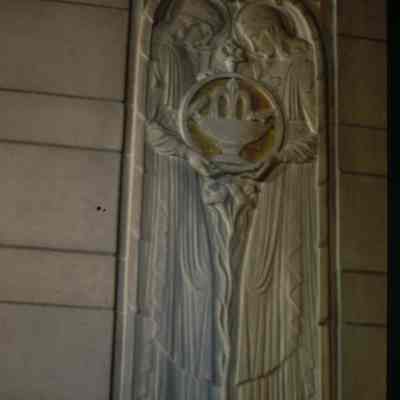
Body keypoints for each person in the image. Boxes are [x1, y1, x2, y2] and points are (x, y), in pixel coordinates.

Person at [233, 5, 320, 400]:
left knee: (285, 268)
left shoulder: (300, 66)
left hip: (291, 183)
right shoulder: (264, 72)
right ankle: (259, 372)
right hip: (265, 180)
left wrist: (280, 156)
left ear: (270, 30)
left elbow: (317, 133)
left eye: (256, 39)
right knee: (255, 280)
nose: (255, 48)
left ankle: (292, 372)